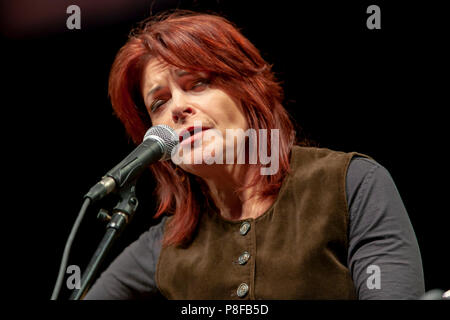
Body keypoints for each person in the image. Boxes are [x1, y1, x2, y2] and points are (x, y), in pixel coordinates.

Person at [84, 10, 424, 300]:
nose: (177, 107)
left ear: (247, 90)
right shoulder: (163, 245)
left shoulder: (351, 184)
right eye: (159, 102)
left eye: (197, 83)